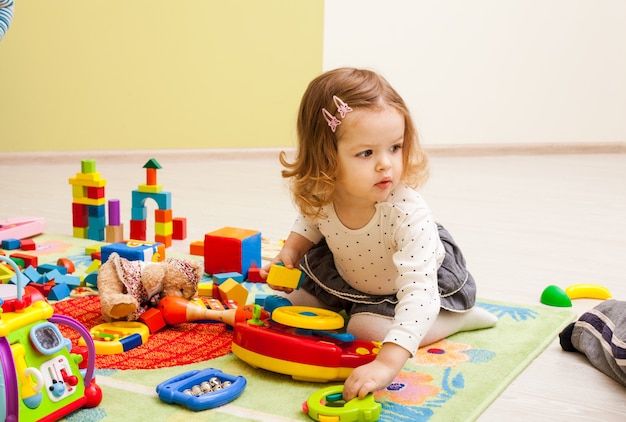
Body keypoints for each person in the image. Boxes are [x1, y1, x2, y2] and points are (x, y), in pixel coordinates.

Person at [261, 67, 497, 401]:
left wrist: (386, 363)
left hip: (413, 286)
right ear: (327, 158)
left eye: (395, 147)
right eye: (366, 153)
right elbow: (311, 221)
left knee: (365, 330)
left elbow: (419, 291)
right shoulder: (326, 190)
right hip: (351, 275)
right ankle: (353, 306)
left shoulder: (406, 214)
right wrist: (291, 251)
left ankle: (455, 318)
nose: (385, 164)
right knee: (282, 306)